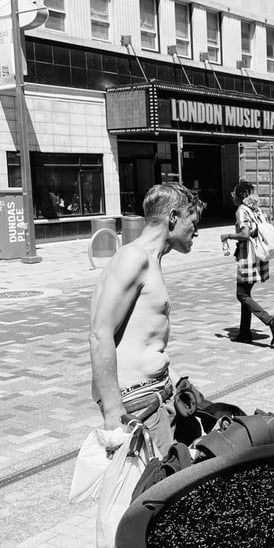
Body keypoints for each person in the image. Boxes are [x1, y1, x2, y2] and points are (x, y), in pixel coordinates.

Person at [89, 182, 205, 457]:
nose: (197, 231)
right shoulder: (134, 257)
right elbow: (100, 333)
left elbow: (143, 338)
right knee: (166, 480)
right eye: (193, 222)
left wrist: (177, 381)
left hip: (157, 394)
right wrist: (114, 414)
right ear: (173, 217)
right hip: (138, 403)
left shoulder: (150, 260)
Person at [220, 181, 274, 346]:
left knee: (241, 294)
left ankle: (271, 321)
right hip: (259, 257)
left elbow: (245, 234)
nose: (233, 197)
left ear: (240, 196)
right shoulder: (257, 210)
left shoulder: (242, 210)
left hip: (249, 257)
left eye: (234, 194)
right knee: (246, 295)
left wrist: (227, 236)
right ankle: (244, 333)